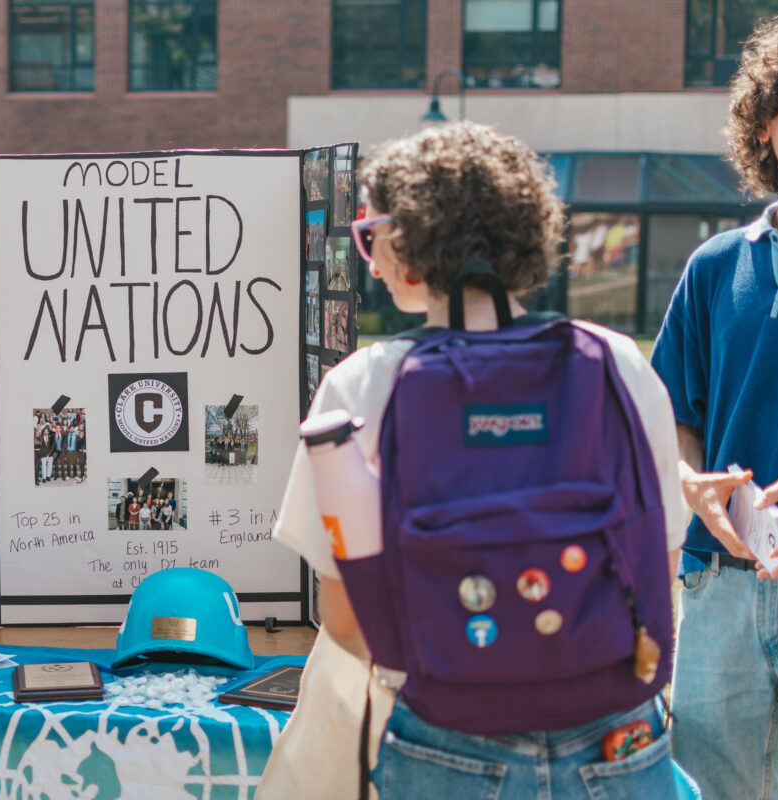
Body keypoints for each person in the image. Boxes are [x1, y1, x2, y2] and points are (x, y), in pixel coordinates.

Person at [266, 122, 689, 798]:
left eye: (369, 234)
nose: (368, 258)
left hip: (447, 743)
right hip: (617, 735)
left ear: (408, 242)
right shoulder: (616, 364)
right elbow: (658, 571)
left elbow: (345, 620)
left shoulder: (362, 386)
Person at [650, 16, 778, 799]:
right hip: (718, 590)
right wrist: (689, 480)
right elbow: (675, 415)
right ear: (766, 123)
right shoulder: (713, 267)